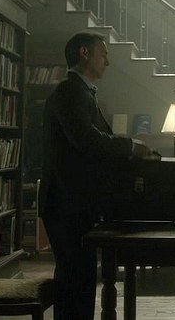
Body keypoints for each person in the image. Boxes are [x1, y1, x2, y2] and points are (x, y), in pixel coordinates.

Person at [40, 31, 153, 320]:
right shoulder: (69, 91)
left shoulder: (81, 91)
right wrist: (130, 147)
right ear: (84, 53)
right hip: (66, 204)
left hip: (74, 203)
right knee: (75, 281)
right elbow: (86, 140)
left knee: (80, 279)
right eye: (103, 54)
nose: (108, 61)